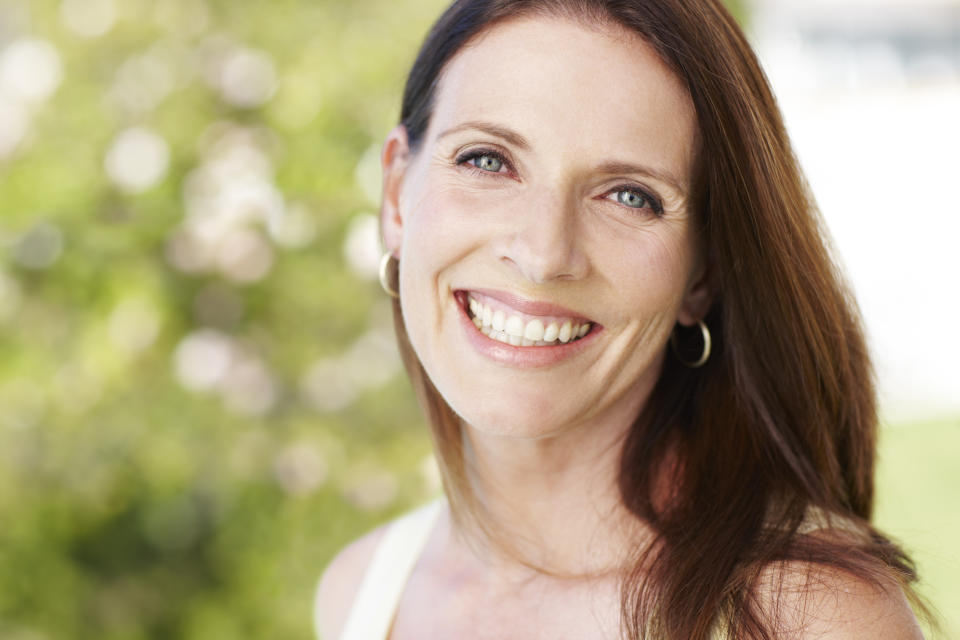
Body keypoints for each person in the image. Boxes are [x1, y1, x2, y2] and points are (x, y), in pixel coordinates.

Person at [315, 1, 930, 638]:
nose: (543, 255)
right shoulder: (362, 591)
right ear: (396, 196)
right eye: (488, 160)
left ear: (704, 273)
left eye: (629, 195)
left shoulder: (807, 617)